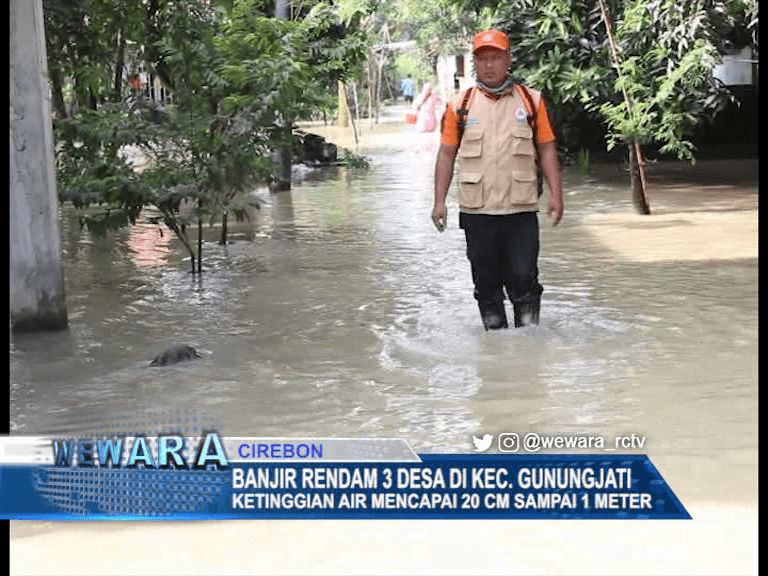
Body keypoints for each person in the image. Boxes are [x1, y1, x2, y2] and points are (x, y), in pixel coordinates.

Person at [431, 29, 564, 330]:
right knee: (486, 286)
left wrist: (557, 195)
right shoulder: (459, 105)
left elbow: (546, 148)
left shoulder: (531, 101)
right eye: (483, 59)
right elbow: (446, 155)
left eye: (496, 58)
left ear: (508, 59)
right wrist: (439, 201)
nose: (489, 65)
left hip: (520, 213)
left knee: (524, 281)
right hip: (478, 215)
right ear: (474, 63)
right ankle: (496, 349)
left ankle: (528, 348)